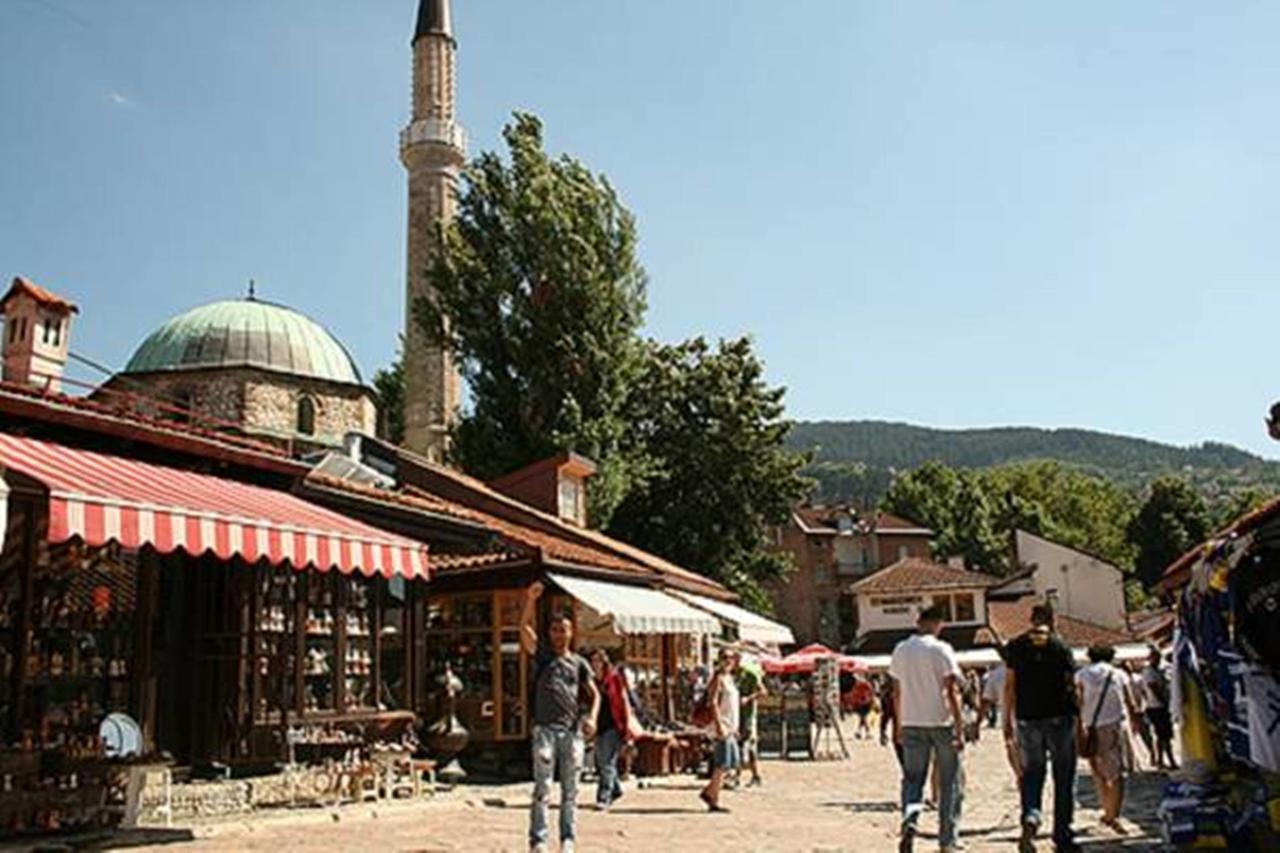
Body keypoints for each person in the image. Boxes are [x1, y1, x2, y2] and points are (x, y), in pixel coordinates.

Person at [520, 581, 600, 853]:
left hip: (572, 732)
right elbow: (524, 632)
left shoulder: (579, 664)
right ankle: (539, 840)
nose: (559, 634)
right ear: (550, 633)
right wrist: (530, 601)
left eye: (563, 629)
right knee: (542, 788)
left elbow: (594, 694)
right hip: (544, 730)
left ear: (571, 632)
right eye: (554, 630)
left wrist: (592, 718)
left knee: (570, 791)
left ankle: (568, 838)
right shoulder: (542, 656)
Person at [889, 605, 966, 853]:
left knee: (913, 780)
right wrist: (959, 726)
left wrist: (899, 724)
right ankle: (948, 840)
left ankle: (910, 820)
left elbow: (897, 692)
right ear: (937, 623)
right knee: (949, 781)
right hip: (940, 721)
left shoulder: (901, 650)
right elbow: (951, 691)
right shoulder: (941, 649)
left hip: (911, 720)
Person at [1004, 604, 1079, 853]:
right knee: (1064, 775)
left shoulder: (1016, 646)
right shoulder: (1060, 646)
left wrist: (1007, 718)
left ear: (1031, 620)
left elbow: (1010, 685)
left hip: (1027, 718)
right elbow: (1073, 684)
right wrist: (1081, 719)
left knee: (1033, 773)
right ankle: (1062, 833)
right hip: (1060, 716)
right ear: (1051, 620)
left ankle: (1032, 815)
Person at [1074, 644, 1139, 835]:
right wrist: (1136, 721)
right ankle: (1114, 813)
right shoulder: (1119, 674)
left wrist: (1078, 727)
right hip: (1115, 725)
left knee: (1097, 769)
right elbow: (1130, 701)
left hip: (1091, 727)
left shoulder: (1082, 675)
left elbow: (1078, 703)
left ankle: (1106, 809)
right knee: (1117, 771)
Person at [588, 648, 634, 811]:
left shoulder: (613, 679)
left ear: (604, 662)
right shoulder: (592, 681)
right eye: (593, 662)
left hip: (613, 726)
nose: (594, 665)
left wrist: (627, 728)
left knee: (606, 762)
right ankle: (616, 789)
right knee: (603, 762)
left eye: (597, 661)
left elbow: (622, 702)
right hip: (598, 726)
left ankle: (604, 797)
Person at [700, 649, 741, 812]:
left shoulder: (730, 679)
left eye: (731, 658)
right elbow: (713, 703)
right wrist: (718, 725)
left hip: (730, 726)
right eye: (725, 658)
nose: (728, 661)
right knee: (723, 762)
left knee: (732, 762)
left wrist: (735, 727)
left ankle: (709, 792)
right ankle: (712, 797)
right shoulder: (717, 678)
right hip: (722, 726)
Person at [1141, 648, 1178, 770]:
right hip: (1157, 707)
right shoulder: (1149, 672)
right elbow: (1153, 687)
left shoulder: (1158, 671)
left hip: (1158, 706)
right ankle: (1166, 760)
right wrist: (1164, 701)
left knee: (1164, 735)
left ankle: (1162, 760)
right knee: (1163, 735)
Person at [734, 651, 767, 787]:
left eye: (735, 659)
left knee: (748, 747)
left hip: (747, 716)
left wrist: (748, 698)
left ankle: (753, 775)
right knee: (737, 746)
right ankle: (739, 776)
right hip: (734, 716)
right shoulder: (730, 676)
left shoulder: (750, 675)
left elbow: (763, 691)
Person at [1126, 662, 1154, 769]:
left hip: (1140, 711)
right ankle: (1134, 760)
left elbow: (1144, 693)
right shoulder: (1123, 679)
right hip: (1130, 712)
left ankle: (1152, 754)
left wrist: (1143, 706)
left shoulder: (1138, 679)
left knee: (1146, 734)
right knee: (1132, 737)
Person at [981, 658, 1008, 729]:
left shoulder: (992, 675)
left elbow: (986, 700)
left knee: (993, 710)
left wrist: (978, 722)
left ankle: (992, 722)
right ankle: (992, 722)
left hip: (993, 696)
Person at [850, 675, 875, 739]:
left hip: (860, 703)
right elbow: (871, 694)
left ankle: (860, 732)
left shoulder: (857, 685)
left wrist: (853, 703)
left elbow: (854, 694)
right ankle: (866, 733)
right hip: (865, 703)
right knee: (863, 718)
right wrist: (871, 701)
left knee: (863, 718)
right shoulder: (867, 685)